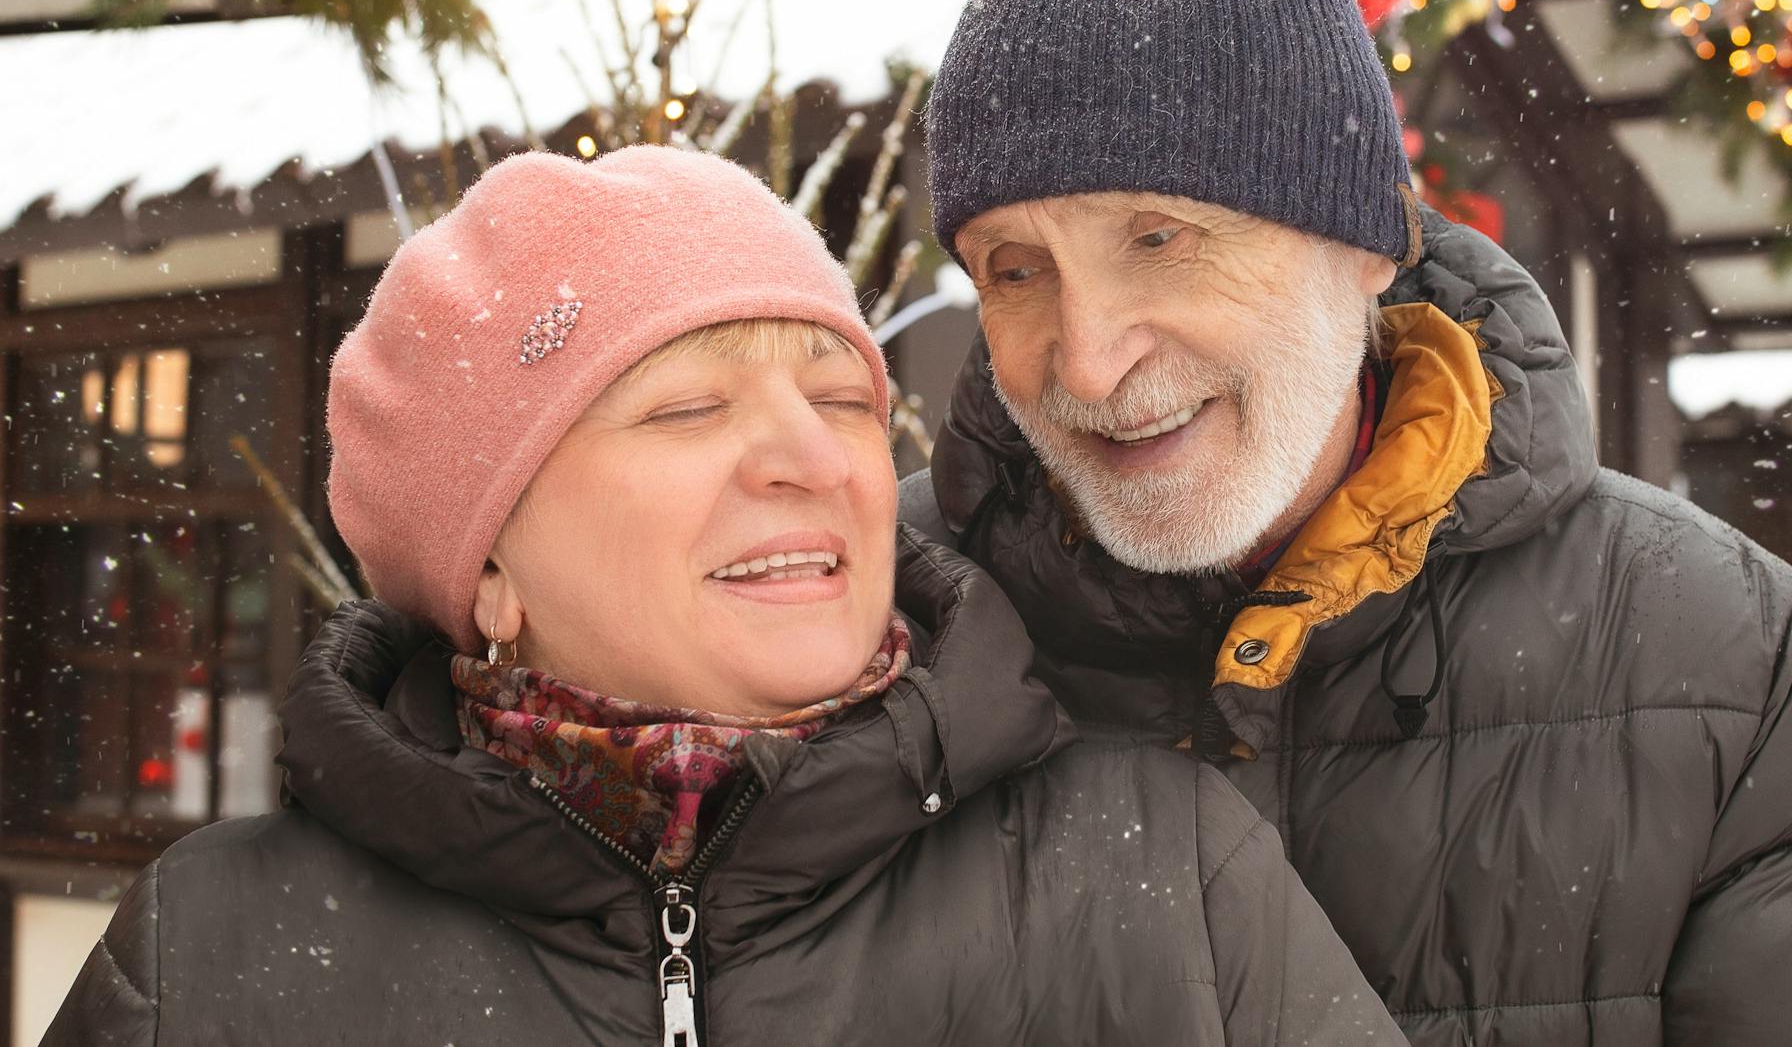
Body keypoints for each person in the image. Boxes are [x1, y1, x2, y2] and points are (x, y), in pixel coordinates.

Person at [902, 0, 1792, 1046]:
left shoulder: (1721, 663)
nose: (1088, 354)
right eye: (1015, 268)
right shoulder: (880, 632)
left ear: (1364, 245)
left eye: (1159, 238)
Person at [45, 144, 1403, 1046]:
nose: (809, 458)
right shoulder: (222, 958)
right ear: (489, 569)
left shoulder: (1159, 877)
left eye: (837, 398)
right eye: (685, 408)